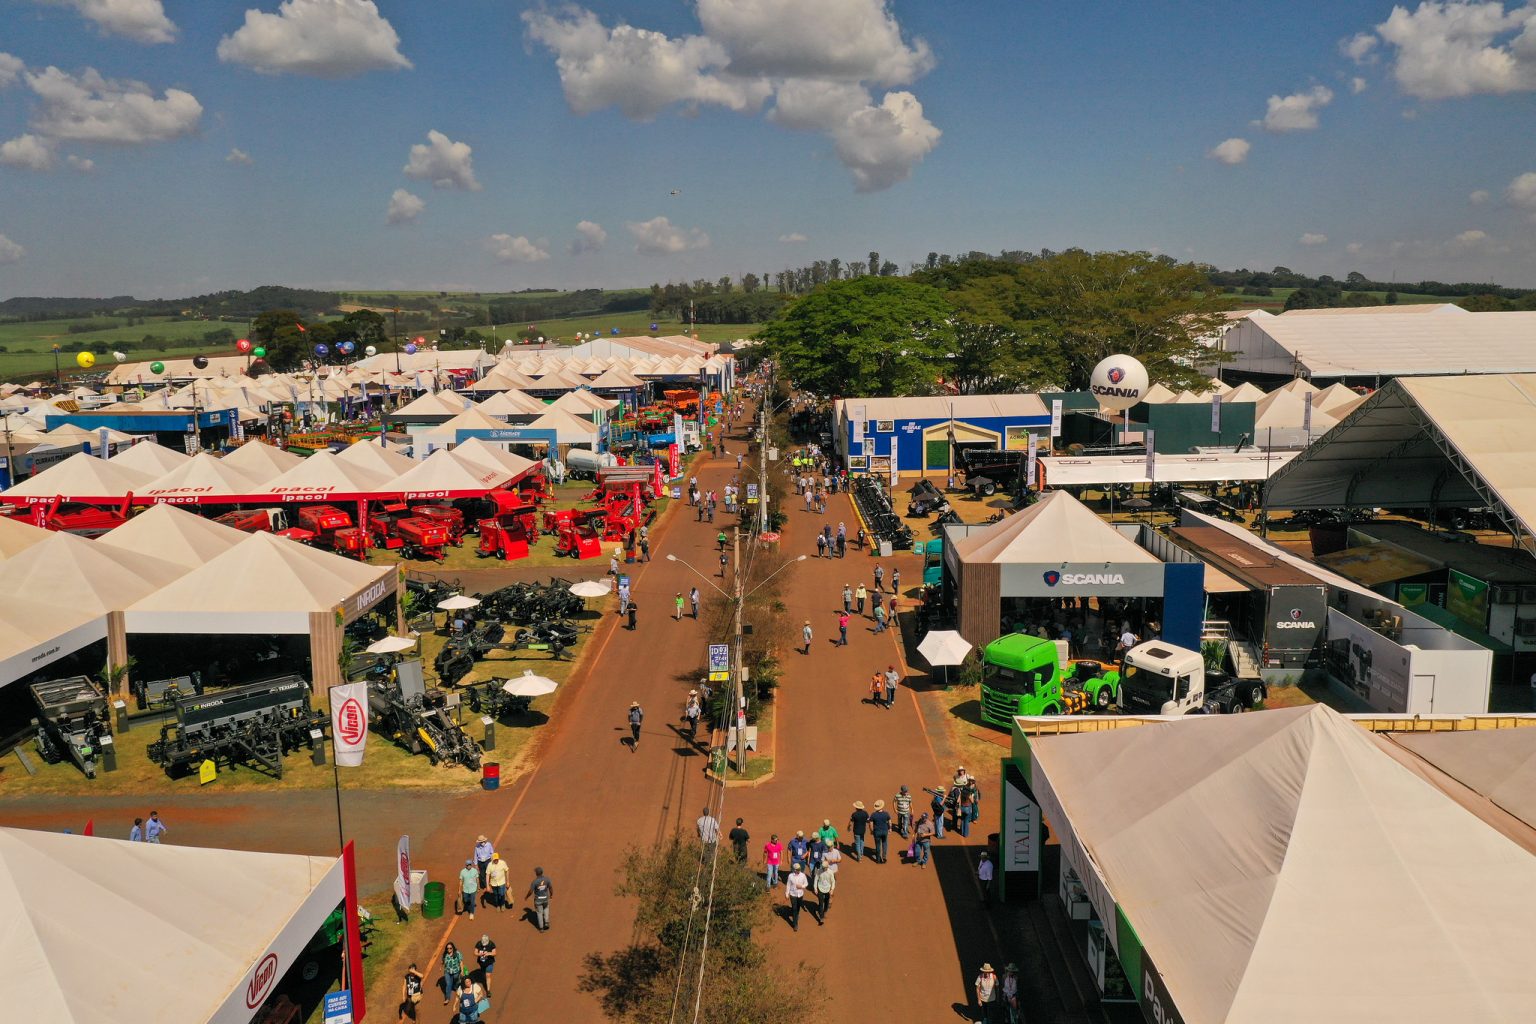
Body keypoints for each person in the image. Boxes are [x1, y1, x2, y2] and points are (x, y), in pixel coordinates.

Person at [524, 867, 553, 931]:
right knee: (546, 909)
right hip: (545, 899)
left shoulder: (535, 882)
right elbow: (550, 888)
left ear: (536, 874)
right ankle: (546, 922)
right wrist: (551, 895)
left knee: (539, 913)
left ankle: (541, 928)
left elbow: (531, 891)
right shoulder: (547, 879)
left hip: (538, 900)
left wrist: (526, 897)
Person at [784, 863, 809, 931]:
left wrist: (801, 886)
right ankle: (795, 924)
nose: (799, 870)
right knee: (794, 908)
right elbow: (788, 885)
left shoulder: (803, 875)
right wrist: (787, 894)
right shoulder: (790, 876)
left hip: (800, 894)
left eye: (799, 869)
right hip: (793, 894)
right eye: (797, 869)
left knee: (798, 907)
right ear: (794, 870)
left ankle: (796, 914)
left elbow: (806, 883)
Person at [813, 858, 836, 925]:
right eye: (822, 867)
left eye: (824, 867)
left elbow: (833, 881)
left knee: (826, 902)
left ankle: (825, 911)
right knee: (821, 903)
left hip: (828, 889)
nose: (823, 868)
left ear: (827, 867)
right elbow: (816, 879)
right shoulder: (819, 871)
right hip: (820, 888)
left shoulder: (830, 872)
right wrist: (815, 888)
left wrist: (832, 889)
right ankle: (821, 917)